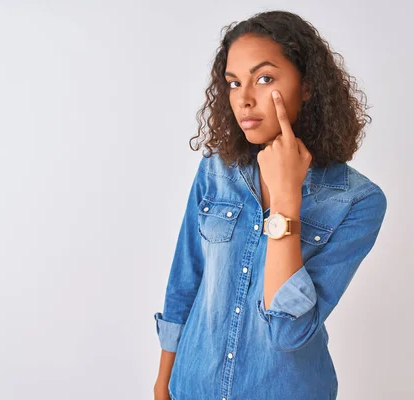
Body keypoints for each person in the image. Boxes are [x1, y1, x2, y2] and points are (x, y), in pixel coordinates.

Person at [153, 10, 387, 400]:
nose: (243, 99)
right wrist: (164, 384)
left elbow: (289, 329)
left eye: (264, 78)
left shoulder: (357, 202)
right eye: (233, 83)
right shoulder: (216, 171)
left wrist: (285, 201)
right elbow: (185, 280)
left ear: (307, 87)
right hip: (194, 387)